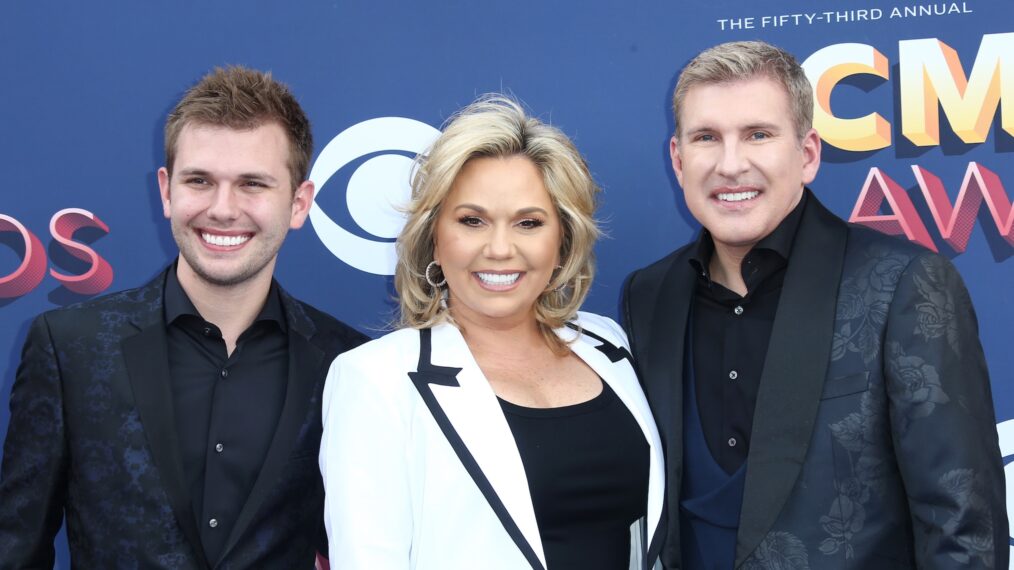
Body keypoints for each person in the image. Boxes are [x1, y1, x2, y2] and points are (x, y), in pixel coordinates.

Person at [622, 40, 1008, 569]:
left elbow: (964, 525)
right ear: (678, 157)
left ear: (807, 155)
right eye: (707, 137)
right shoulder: (649, 295)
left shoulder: (903, 283)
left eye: (758, 134)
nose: (731, 164)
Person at [0, 66, 367, 568]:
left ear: (299, 203)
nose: (222, 209)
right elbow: (15, 549)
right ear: (167, 190)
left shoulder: (348, 365)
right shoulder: (70, 349)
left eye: (252, 184)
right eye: (200, 181)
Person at [319, 95, 665, 569]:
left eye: (528, 222)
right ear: (433, 237)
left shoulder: (611, 346)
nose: (500, 248)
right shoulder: (375, 380)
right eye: (472, 221)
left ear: (562, 240)